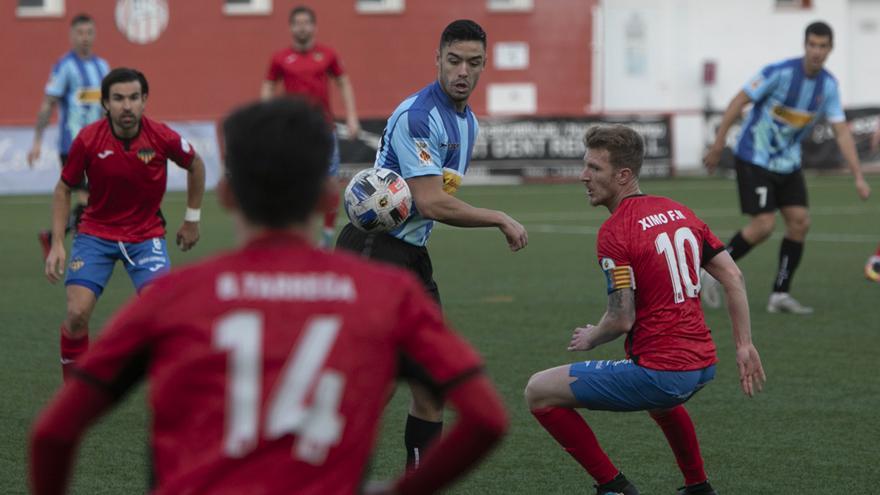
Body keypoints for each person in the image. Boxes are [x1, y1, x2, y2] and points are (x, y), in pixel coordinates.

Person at [29, 99, 508, 495]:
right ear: (329, 198)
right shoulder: (389, 296)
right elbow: (487, 417)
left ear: (227, 195)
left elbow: (52, 433)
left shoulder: (173, 297)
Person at [524, 125, 766, 495]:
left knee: (538, 390)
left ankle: (614, 486)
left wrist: (592, 336)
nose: (583, 176)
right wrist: (744, 345)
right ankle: (698, 486)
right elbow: (733, 275)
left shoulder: (615, 231)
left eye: (594, 168)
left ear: (623, 176)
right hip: (703, 366)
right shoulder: (678, 211)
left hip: (663, 374)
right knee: (662, 403)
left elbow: (622, 318)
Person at [335, 19, 528, 469]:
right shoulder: (420, 116)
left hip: (411, 256)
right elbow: (431, 202)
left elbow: (431, 202)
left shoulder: (468, 121)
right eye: (455, 60)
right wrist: (499, 217)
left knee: (430, 385)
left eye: (474, 63)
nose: (464, 70)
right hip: (373, 251)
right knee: (374, 383)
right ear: (438, 59)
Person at [44, 67, 206, 380]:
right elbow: (64, 188)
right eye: (118, 99)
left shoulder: (162, 136)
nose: (127, 106)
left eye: (134, 97)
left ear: (145, 100)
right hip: (95, 235)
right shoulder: (88, 140)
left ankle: (169, 390)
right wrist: (58, 244)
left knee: (161, 314)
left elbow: (195, 164)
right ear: (105, 103)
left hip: (146, 237)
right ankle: (73, 393)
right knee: (77, 314)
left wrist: (192, 219)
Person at [703, 21, 871, 313]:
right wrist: (718, 145)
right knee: (764, 225)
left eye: (823, 46)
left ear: (830, 49)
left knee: (799, 222)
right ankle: (711, 269)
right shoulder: (778, 73)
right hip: (754, 157)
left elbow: (841, 131)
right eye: (812, 45)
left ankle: (779, 294)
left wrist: (858, 175)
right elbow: (737, 102)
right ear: (805, 45)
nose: (817, 51)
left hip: (789, 163)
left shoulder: (828, 86)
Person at [261, 4, 361, 248]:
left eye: (307, 22)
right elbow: (268, 86)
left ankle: (326, 237)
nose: (302, 27)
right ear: (291, 27)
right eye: (298, 23)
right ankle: (294, 234)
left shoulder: (327, 55)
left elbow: (343, 83)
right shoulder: (280, 58)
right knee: (292, 183)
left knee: (329, 184)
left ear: (314, 27)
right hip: (292, 131)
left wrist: (352, 116)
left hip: (323, 129)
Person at [28, 13, 110, 258]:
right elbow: (47, 104)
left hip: (100, 146)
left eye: (89, 33)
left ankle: (54, 237)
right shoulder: (65, 66)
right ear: (72, 36)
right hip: (72, 146)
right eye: (80, 33)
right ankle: (68, 243)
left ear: (94, 35)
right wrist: (37, 141)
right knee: (87, 200)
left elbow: (108, 107)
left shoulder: (103, 67)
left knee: (95, 202)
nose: (85, 38)